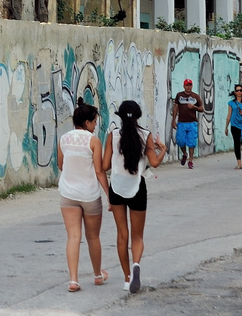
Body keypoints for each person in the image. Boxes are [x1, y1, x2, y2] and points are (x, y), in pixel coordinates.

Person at [106, 99, 165, 293]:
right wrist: (162, 149)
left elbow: (105, 165)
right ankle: (136, 264)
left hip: (116, 188)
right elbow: (154, 163)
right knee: (137, 236)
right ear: (138, 116)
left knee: (122, 235)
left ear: (120, 117)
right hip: (137, 187)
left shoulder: (112, 136)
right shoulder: (145, 135)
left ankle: (126, 278)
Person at [56, 102, 112, 292]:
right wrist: (109, 196)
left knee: (73, 236)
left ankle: (73, 280)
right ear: (87, 122)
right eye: (94, 121)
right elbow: (99, 171)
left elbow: (60, 164)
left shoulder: (63, 139)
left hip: (68, 194)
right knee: (93, 237)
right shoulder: (93, 141)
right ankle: (97, 275)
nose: (96, 125)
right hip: (89, 195)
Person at [171, 79, 202, 169]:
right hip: (181, 122)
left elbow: (201, 109)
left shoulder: (196, 96)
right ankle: (185, 153)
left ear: (192, 86)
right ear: (184, 86)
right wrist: (174, 120)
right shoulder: (179, 95)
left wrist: (194, 107)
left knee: (191, 142)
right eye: (187, 85)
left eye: (190, 85)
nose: (189, 87)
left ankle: (191, 160)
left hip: (192, 122)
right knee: (180, 141)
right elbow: (176, 107)